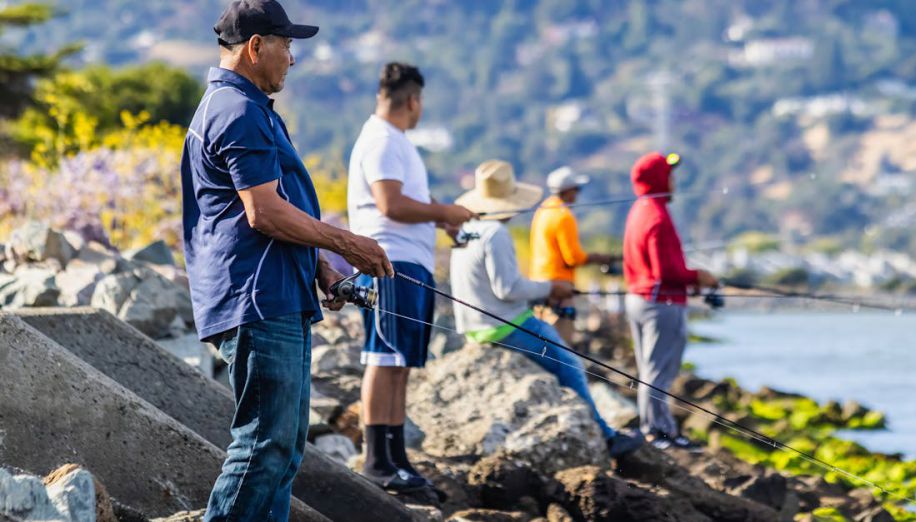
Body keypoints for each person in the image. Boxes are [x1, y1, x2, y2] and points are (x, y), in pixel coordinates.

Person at [180, 2, 393, 520]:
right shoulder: (236, 110)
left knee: (285, 448)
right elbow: (264, 212)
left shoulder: (249, 107)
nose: (292, 59)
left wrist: (318, 265)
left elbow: (273, 208)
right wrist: (347, 244)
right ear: (256, 47)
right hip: (257, 298)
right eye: (287, 45)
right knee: (263, 445)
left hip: (276, 292)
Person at [451, 160, 644, 458]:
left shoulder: (467, 230)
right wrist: (550, 288)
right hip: (505, 325)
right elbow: (508, 289)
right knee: (571, 365)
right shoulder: (495, 233)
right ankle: (607, 438)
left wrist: (539, 290)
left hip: (473, 326)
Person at [347, 62, 475, 491]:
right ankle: (376, 462)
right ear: (414, 101)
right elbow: (391, 204)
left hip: (407, 263)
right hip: (389, 264)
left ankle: (396, 456)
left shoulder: (395, 141)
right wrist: (444, 212)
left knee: (400, 362)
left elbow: (410, 200)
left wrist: (444, 219)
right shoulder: (382, 139)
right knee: (383, 358)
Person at [622, 152, 718, 451]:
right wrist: (699, 277)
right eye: (670, 174)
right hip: (660, 305)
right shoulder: (657, 216)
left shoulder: (640, 210)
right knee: (659, 372)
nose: (674, 180)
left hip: (640, 299)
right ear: (659, 179)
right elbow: (667, 272)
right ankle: (659, 433)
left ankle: (656, 429)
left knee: (649, 369)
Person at [529, 166, 616, 344]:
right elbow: (573, 258)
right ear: (568, 191)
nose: (577, 194)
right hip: (559, 284)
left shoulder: (542, 210)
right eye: (577, 189)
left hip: (538, 281)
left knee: (543, 337)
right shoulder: (564, 216)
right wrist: (598, 257)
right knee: (562, 340)